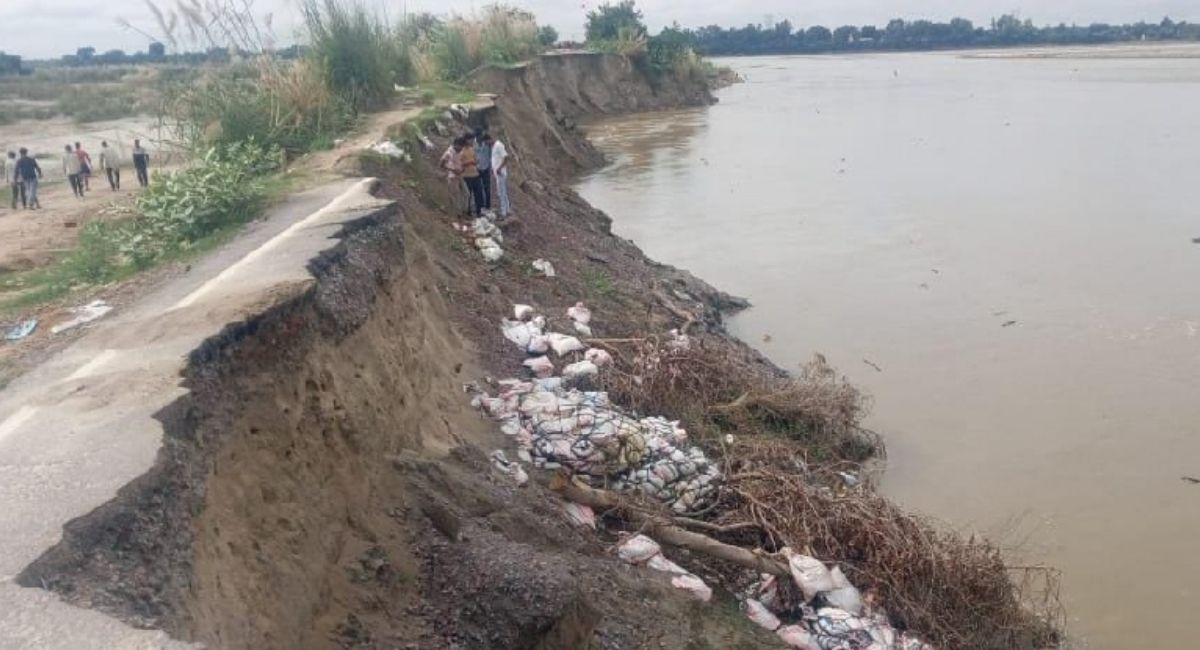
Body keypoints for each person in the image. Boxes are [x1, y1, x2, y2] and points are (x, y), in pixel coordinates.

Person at [459, 133, 484, 217]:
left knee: (479, 194)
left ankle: (479, 211)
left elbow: (477, 160)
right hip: (466, 176)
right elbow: (459, 164)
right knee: (468, 195)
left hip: (475, 174)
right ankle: (468, 212)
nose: (472, 141)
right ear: (466, 140)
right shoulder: (461, 151)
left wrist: (475, 161)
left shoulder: (472, 149)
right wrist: (469, 162)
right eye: (471, 139)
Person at [439, 137, 466, 214]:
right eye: (461, 146)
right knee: (455, 195)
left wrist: (462, 169)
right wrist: (452, 170)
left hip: (460, 175)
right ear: (456, 145)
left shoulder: (459, 152)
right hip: (452, 176)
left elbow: (461, 162)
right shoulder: (449, 153)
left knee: (466, 194)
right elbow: (441, 164)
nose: (461, 148)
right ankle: (456, 213)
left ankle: (461, 211)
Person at [488, 133, 512, 219]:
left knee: (501, 192)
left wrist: (499, 168)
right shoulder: (493, 146)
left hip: (500, 173)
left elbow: (506, 157)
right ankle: (507, 210)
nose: (487, 144)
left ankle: (503, 212)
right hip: (497, 173)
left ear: (490, 139)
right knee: (503, 192)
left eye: (487, 142)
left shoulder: (499, 145)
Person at [475, 130, 493, 212]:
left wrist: (490, 166)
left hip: (486, 169)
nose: (481, 138)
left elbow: (491, 154)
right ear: (476, 136)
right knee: (479, 189)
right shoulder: (473, 144)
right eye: (479, 136)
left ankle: (488, 206)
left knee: (487, 189)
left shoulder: (487, 144)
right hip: (477, 169)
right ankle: (480, 207)